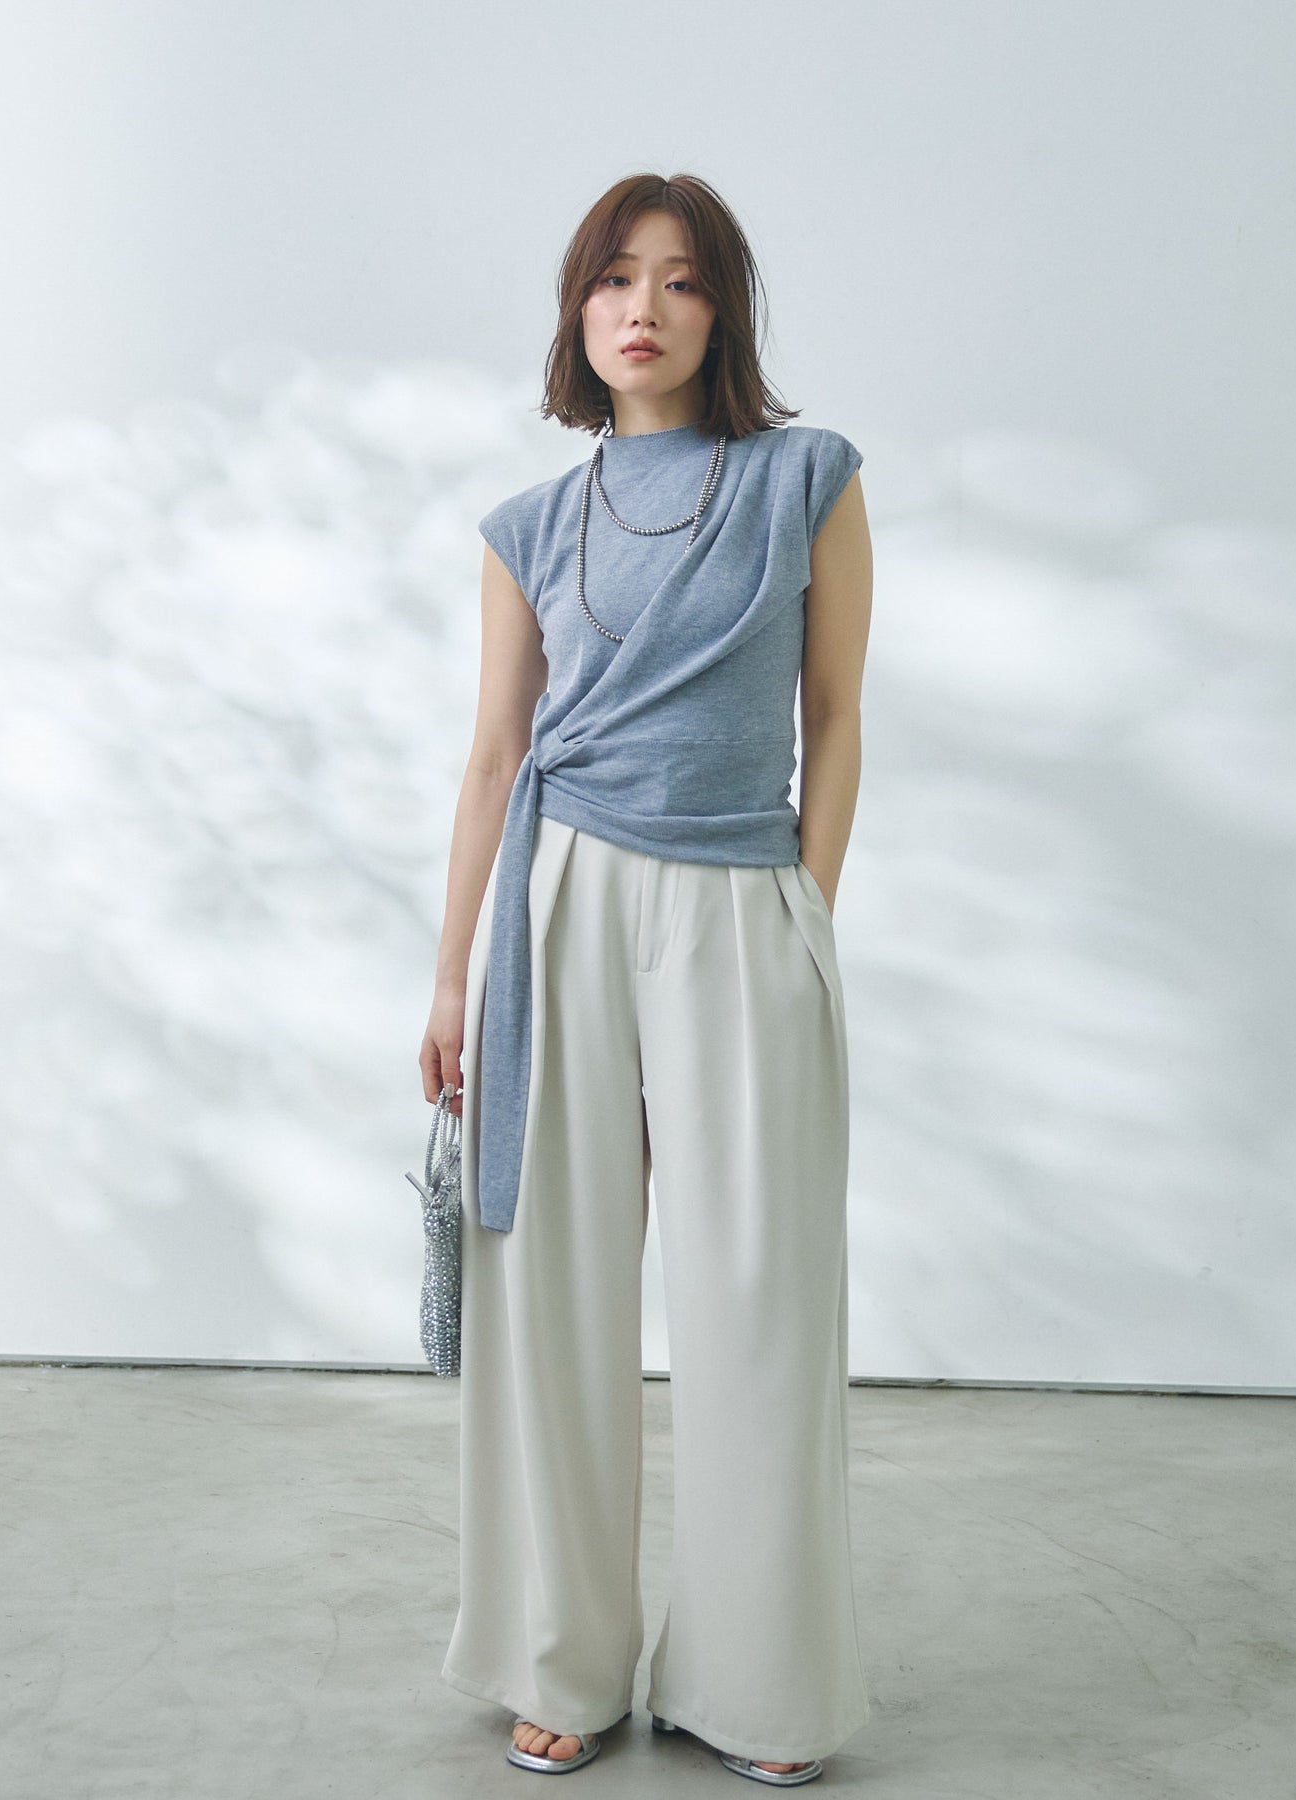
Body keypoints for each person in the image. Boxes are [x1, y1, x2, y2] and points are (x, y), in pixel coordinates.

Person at [419, 171, 874, 1787]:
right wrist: (451, 980)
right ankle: (560, 1656)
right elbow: (494, 758)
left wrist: (803, 912)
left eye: (681, 281)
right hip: (556, 904)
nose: (643, 308)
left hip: (739, 899)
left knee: (756, 1296)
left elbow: (835, 717)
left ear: (721, 312)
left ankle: (757, 1682)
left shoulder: (807, 477)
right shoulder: (527, 526)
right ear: (578, 309)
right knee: (550, 1293)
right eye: (615, 278)